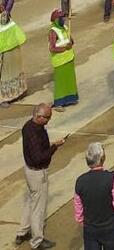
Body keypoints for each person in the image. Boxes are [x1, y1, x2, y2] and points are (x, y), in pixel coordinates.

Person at [17, 103, 65, 249]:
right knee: (38, 207)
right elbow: (39, 157)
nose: (49, 120)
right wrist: (54, 147)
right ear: (38, 116)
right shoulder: (34, 132)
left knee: (30, 201)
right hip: (37, 173)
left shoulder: (28, 126)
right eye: (47, 117)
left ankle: (22, 232)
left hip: (29, 170)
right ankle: (37, 240)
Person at [73, 142, 114, 250]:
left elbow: (78, 210)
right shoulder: (112, 178)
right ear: (102, 158)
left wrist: (85, 222)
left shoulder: (80, 181)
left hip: (90, 229)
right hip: (110, 228)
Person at [0, 0, 27, 104]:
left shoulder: (2, 16)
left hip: (9, 48)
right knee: (6, 74)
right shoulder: (3, 18)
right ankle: (5, 98)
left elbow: (5, 2)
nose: (1, 6)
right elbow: (10, 3)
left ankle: (17, 93)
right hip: (7, 50)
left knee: (13, 71)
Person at [49, 9, 78, 108]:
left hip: (69, 58)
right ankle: (59, 103)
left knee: (70, 80)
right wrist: (64, 48)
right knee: (60, 83)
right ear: (56, 19)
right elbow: (52, 48)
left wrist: (70, 43)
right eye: (61, 17)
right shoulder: (53, 32)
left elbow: (72, 41)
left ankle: (71, 99)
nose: (63, 19)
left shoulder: (65, 27)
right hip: (60, 61)